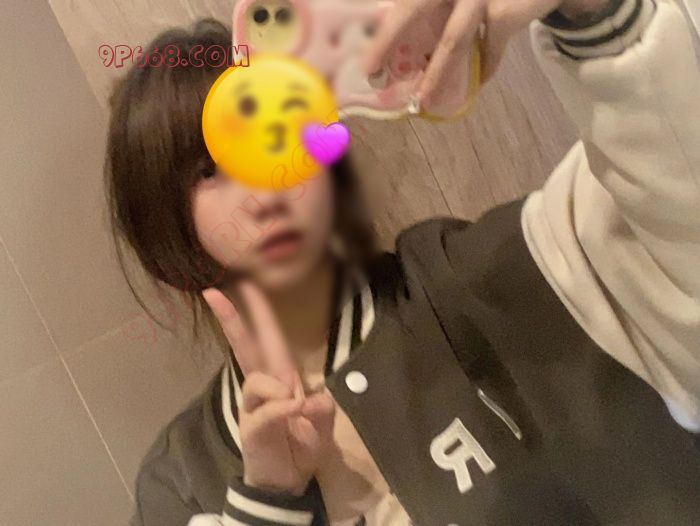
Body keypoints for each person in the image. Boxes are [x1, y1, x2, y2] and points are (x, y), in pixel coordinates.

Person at [105, 0, 700, 524]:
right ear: (163, 218)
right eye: (211, 170)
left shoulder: (476, 278)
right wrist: (268, 501)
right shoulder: (180, 484)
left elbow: (672, 215)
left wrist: (595, 20)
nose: (264, 192)